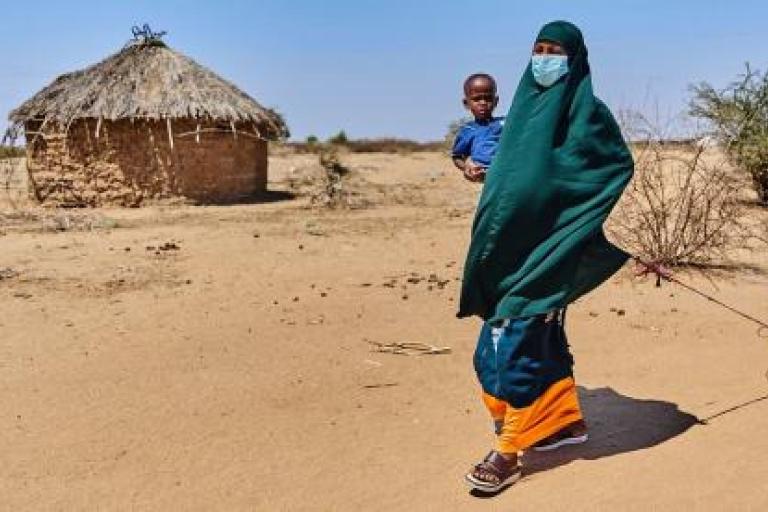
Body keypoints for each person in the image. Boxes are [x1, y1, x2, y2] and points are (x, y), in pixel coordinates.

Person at [458, 21, 634, 493]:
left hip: (549, 254)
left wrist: (573, 221)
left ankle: (509, 452)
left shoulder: (589, 114)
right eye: (538, 49)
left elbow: (616, 165)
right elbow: (512, 173)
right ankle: (563, 425)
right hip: (506, 253)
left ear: (573, 58)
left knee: (511, 345)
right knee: (533, 341)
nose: (544, 58)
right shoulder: (520, 111)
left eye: (554, 50)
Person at [451, 73, 504, 183]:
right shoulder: (468, 131)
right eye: (477, 99)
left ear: (496, 101)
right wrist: (467, 167)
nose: (483, 103)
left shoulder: (505, 123)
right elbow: (457, 156)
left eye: (488, 98)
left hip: (506, 176)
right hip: (484, 178)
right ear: (466, 103)